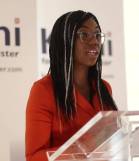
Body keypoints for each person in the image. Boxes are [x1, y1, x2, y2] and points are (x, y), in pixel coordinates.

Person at [25, 10, 117, 161]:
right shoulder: (43, 91)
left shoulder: (104, 88)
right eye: (84, 35)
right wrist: (84, 146)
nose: (94, 41)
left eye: (97, 35)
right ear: (64, 41)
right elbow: (33, 158)